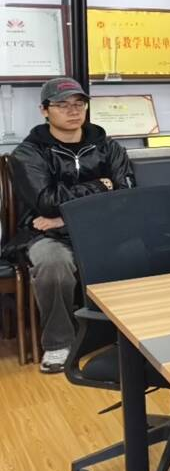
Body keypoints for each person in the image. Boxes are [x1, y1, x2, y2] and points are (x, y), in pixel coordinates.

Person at [6, 78, 134, 373]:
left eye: (79, 104)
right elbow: (47, 202)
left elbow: (126, 193)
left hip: (99, 227)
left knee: (138, 251)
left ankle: (128, 334)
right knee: (53, 263)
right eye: (62, 105)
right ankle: (58, 343)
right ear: (44, 110)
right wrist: (100, 186)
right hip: (47, 234)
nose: (73, 111)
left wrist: (67, 216)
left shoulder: (108, 146)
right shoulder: (28, 153)